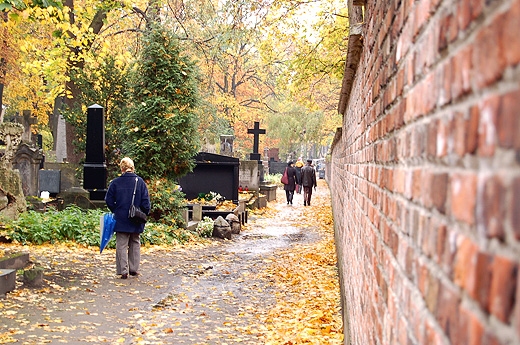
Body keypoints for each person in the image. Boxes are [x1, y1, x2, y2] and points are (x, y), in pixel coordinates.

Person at [105, 157, 150, 279]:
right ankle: (134, 269)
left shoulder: (115, 182)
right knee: (135, 242)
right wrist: (144, 213)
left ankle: (123, 270)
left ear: (122, 168)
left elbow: (108, 199)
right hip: (136, 218)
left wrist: (116, 209)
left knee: (121, 244)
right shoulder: (140, 182)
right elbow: (146, 203)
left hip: (121, 218)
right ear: (132, 167)